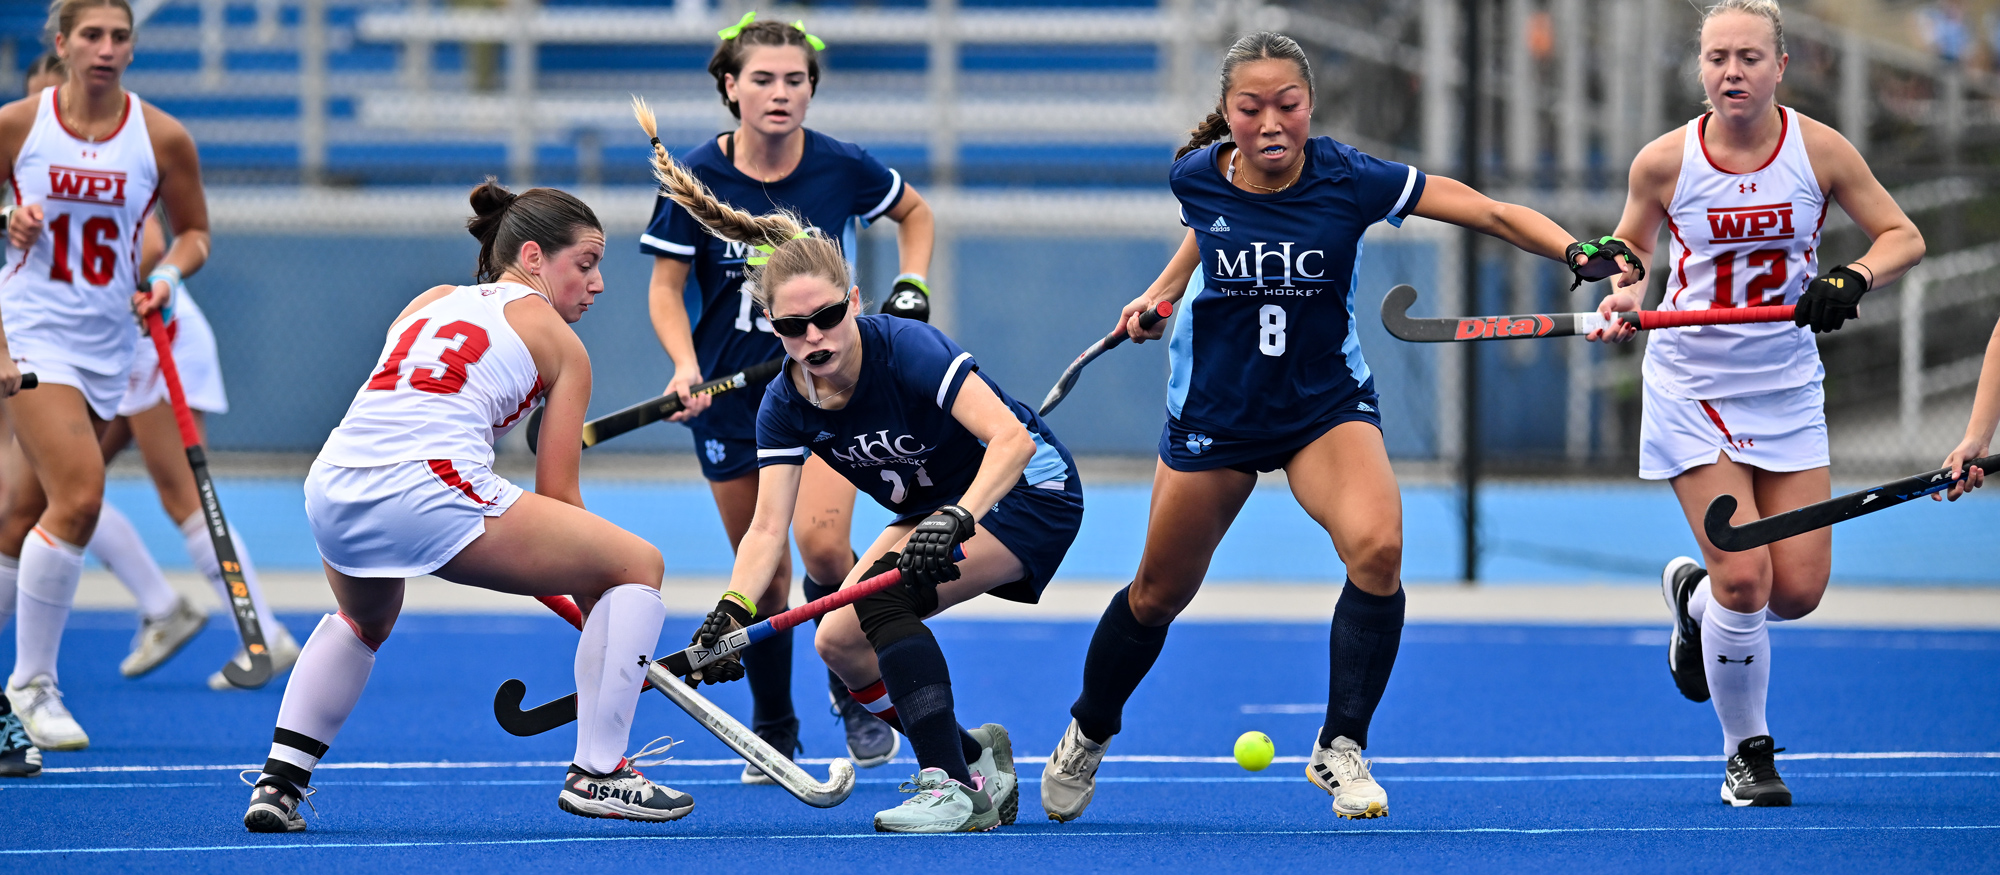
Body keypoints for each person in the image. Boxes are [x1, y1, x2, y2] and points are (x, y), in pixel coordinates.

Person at [1040, 31, 1640, 823]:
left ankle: (1340, 743)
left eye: (1288, 105)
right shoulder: (1195, 173)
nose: (1271, 123)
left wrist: (1574, 248)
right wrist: (1159, 293)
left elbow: (1485, 207)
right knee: (1156, 594)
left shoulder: (1351, 178)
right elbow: (1207, 227)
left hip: (1323, 407)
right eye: (1251, 109)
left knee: (1379, 548)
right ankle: (1088, 728)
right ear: (1228, 115)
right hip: (1218, 414)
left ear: (1310, 106)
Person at [641, 102, 1082, 833]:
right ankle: (976, 758)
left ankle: (950, 788)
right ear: (774, 330)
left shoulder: (907, 349)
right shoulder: (784, 405)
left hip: (1027, 496)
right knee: (838, 641)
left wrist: (955, 517)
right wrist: (731, 611)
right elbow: (765, 532)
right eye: (792, 327)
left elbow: (1012, 443)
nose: (814, 339)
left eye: (826, 318)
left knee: (882, 598)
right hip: (939, 507)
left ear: (853, 301)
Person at [239, 180, 690, 832]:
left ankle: (279, 783)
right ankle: (600, 770)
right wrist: (614, 623)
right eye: (585, 263)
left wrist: (608, 629)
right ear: (533, 257)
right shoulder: (564, 348)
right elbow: (561, 498)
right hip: (426, 484)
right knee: (637, 564)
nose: (596, 284)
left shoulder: (431, 300)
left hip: (335, 483)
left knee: (365, 617)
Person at [1585, 0, 1924, 807]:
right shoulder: (1665, 162)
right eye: (1715, 58)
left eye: (1746, 57)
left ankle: (1689, 600)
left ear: (1779, 66)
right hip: (1692, 385)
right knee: (1747, 581)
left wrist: (1853, 277)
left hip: (1784, 384)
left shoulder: (1820, 150)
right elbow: (1630, 253)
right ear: (1699, 68)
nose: (1729, 72)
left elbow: (1902, 235)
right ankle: (1748, 754)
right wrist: (1620, 294)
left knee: (1796, 590)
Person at [639, 12, 933, 781]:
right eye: (762, 79)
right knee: (761, 573)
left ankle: (853, 685)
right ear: (730, 87)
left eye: (795, 80)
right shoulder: (697, 175)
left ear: (812, 88)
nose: (780, 93)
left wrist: (912, 287)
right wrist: (681, 365)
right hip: (734, 404)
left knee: (828, 548)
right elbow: (667, 289)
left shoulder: (842, 166)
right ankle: (775, 727)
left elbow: (915, 213)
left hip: (826, 391)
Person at [0, 53, 299, 691]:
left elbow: (160, 246)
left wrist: (143, 279)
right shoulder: (31, 150)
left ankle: (262, 632)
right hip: (80, 348)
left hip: (148, 341)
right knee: (56, 492)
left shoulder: (120, 147)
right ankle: (164, 607)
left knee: (174, 492)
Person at [0, 0, 210, 757]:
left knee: (20, 516)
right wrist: (6, 217)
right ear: (61, 45)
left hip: (107, 346)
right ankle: (32, 682)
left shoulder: (160, 137)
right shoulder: (21, 124)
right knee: (80, 497)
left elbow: (195, 234)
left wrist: (166, 277)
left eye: (120, 36)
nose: (106, 47)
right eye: (91, 34)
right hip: (31, 334)